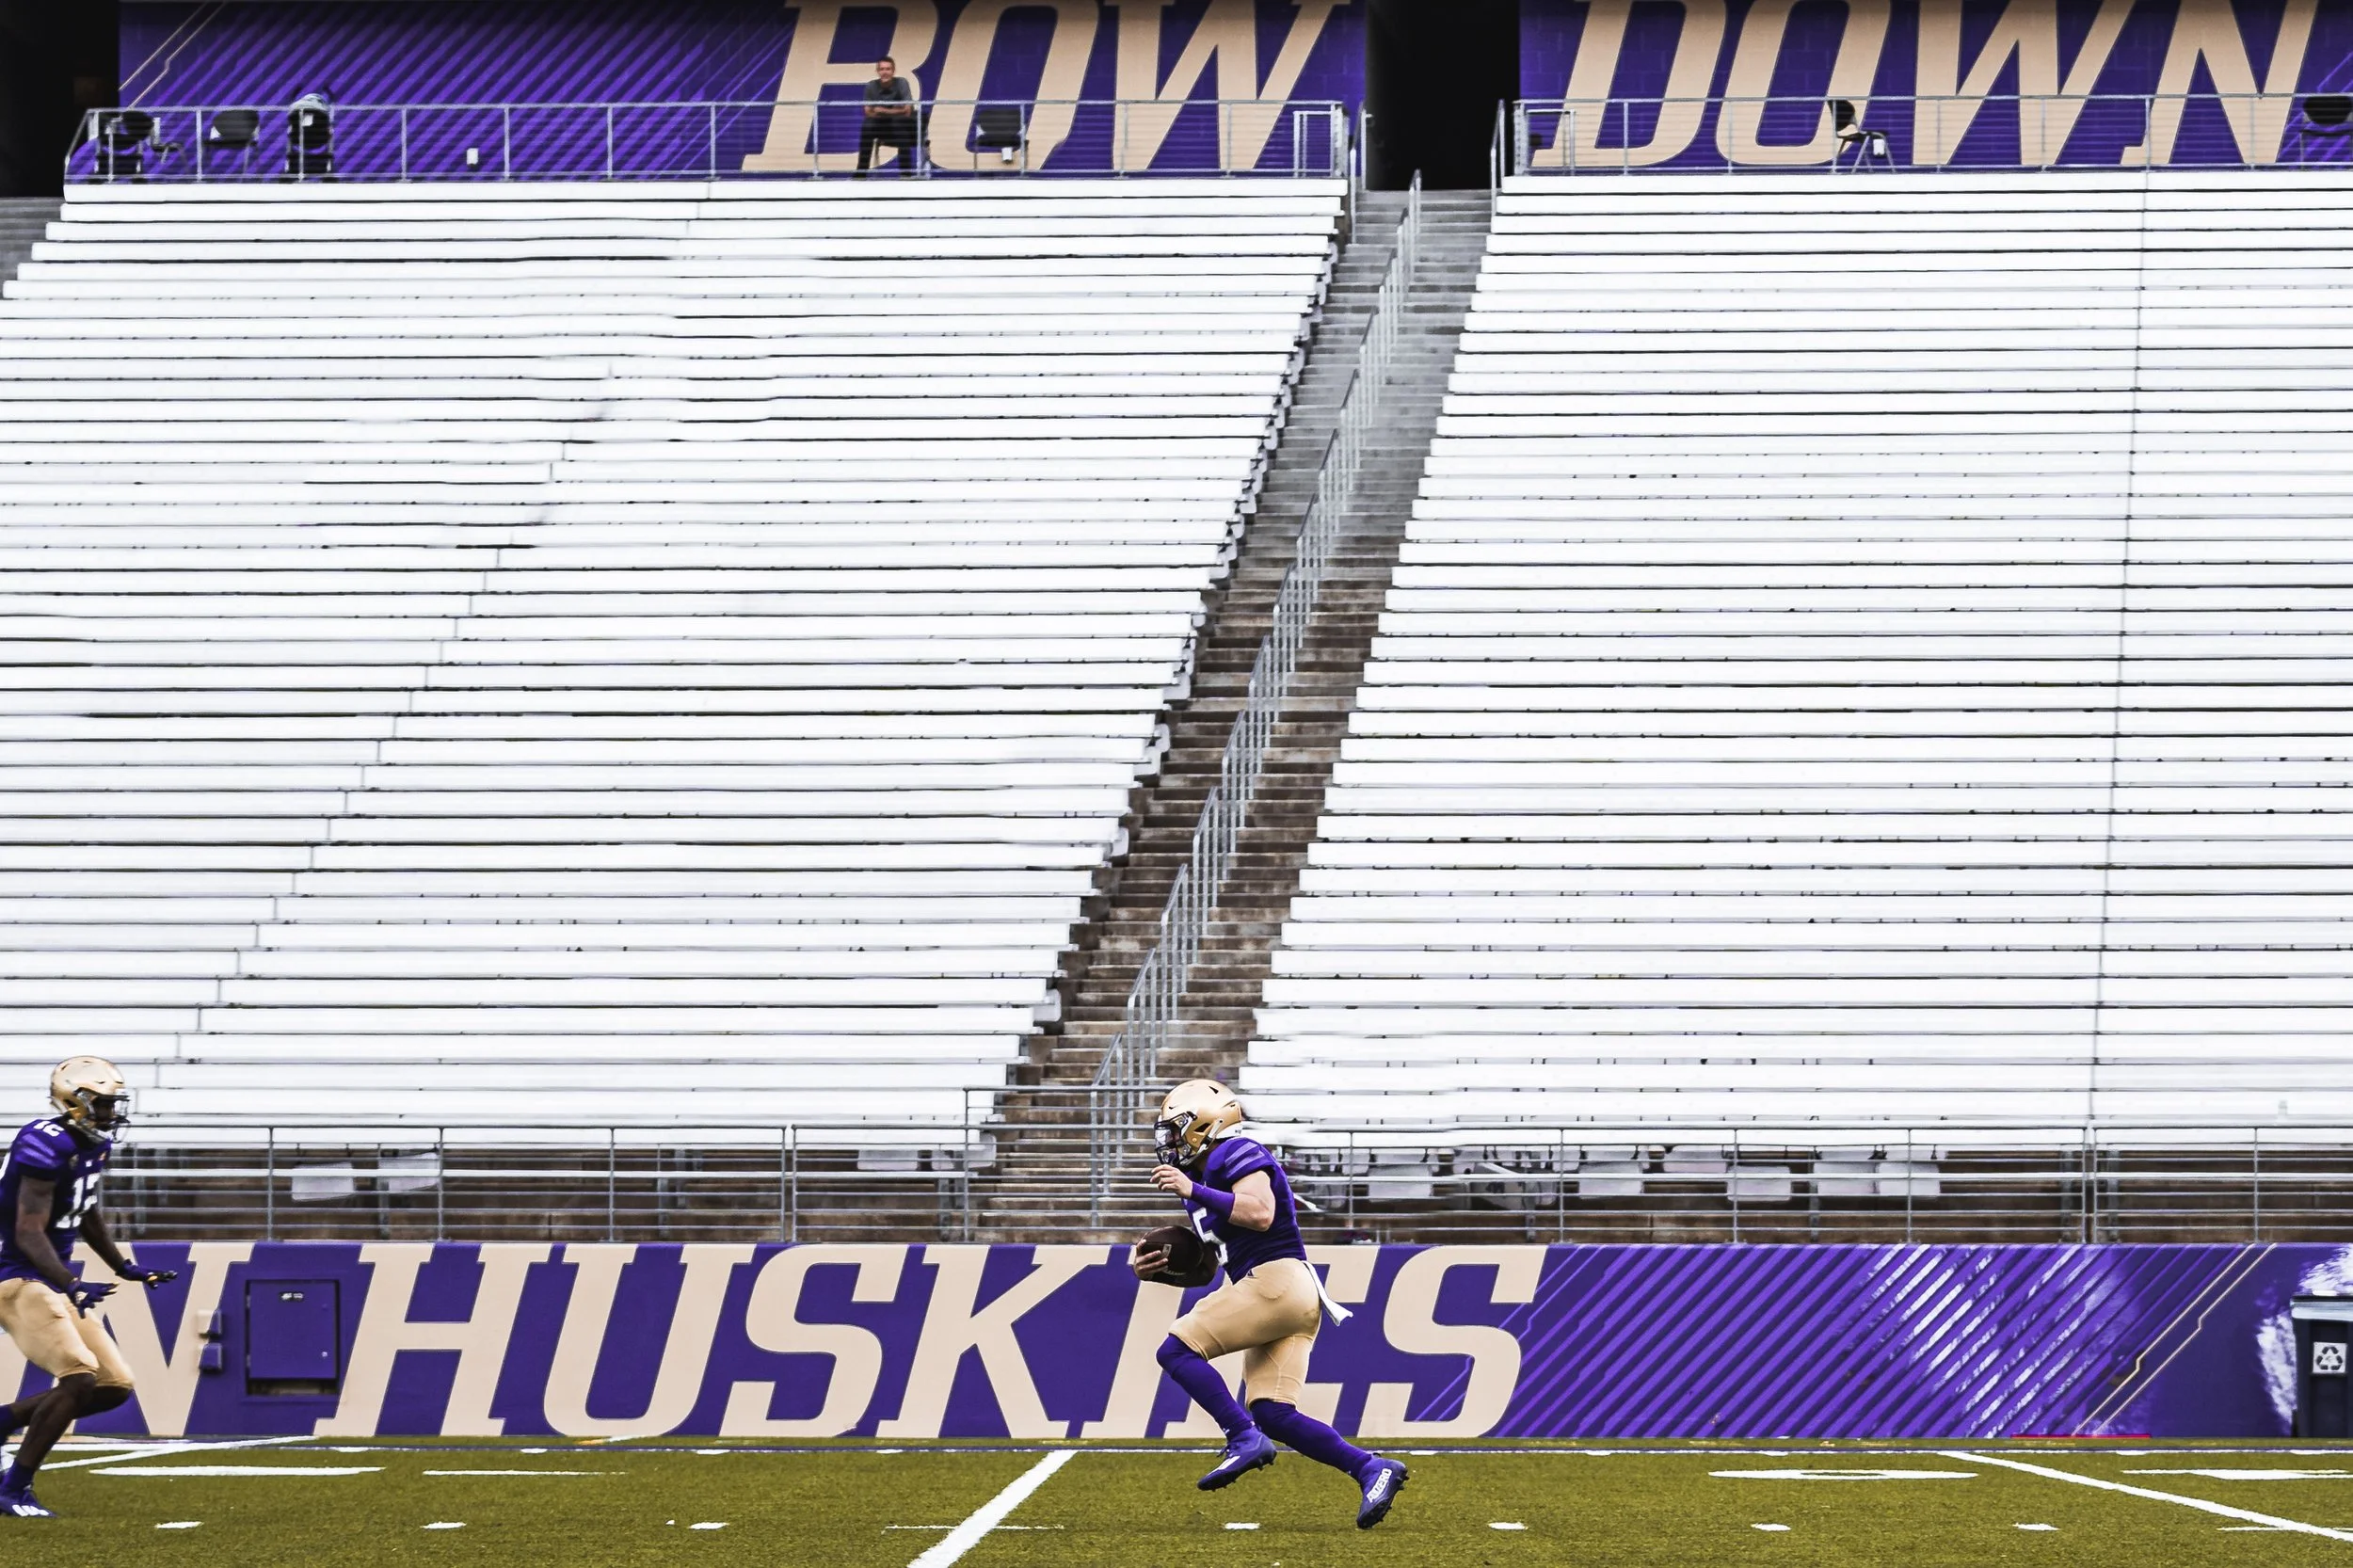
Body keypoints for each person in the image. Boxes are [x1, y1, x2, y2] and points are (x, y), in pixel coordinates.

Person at [1132, 1079, 1409, 1529]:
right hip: (1285, 1294)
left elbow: (1259, 1214)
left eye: (1175, 1128)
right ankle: (1371, 1468)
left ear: (1204, 1123)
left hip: (1276, 1281)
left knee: (1176, 1351)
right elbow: (1207, 1268)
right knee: (1274, 1414)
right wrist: (1160, 1271)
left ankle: (1241, 1438)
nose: (1168, 1140)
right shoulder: (1204, 1176)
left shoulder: (1233, 1152)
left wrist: (1192, 1190)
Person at [0, 1058, 178, 1519]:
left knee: (113, 1386)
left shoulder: (92, 1144)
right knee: (79, 1376)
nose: (110, 1111)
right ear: (73, 1100)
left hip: (47, 1275)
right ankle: (12, 1488)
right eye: (102, 1102)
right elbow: (27, 1232)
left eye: (114, 1103)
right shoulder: (43, 1142)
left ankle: (3, 1421)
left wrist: (124, 1267)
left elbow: (86, 1210)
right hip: (13, 1273)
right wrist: (71, 1282)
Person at [857, 56, 920, 177]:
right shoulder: (871, 85)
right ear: (877, 71)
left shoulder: (902, 82)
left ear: (893, 71)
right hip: (880, 127)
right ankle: (861, 173)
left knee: (900, 123)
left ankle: (906, 174)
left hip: (900, 128)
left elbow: (907, 111)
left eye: (888, 69)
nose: (885, 72)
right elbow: (868, 112)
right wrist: (897, 110)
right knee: (867, 126)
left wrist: (882, 110)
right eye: (882, 69)